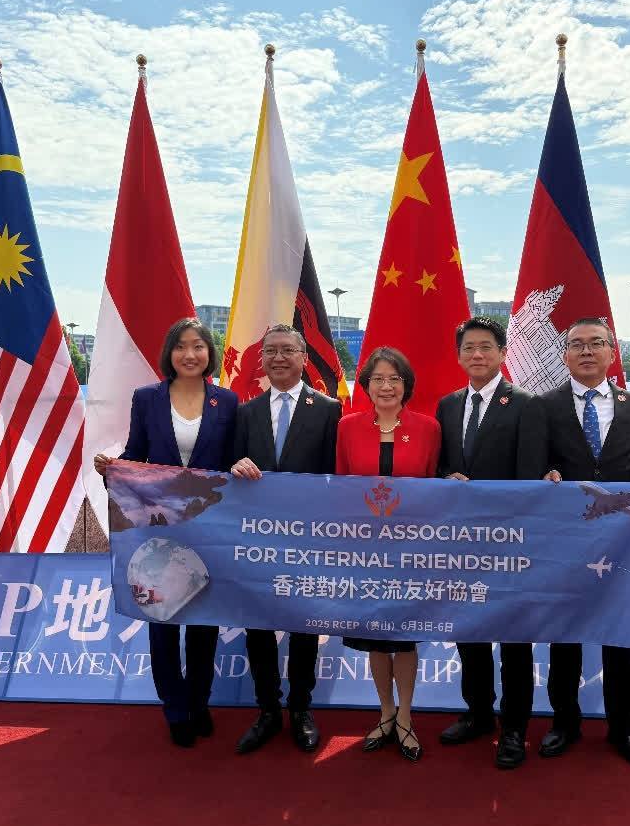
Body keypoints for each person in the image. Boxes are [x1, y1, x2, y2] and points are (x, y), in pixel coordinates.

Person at [93, 317, 238, 748]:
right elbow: (136, 453)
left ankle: (199, 701)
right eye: (181, 346)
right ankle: (174, 707)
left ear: (209, 353)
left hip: (209, 525)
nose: (189, 354)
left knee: (204, 620)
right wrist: (112, 467)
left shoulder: (228, 401)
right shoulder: (147, 399)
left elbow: (233, 459)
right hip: (157, 528)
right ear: (169, 353)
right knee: (162, 618)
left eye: (198, 346)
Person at [538, 317, 630, 767]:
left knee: (620, 636)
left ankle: (624, 729)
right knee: (565, 636)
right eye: (576, 345)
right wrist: (543, 474)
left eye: (596, 343)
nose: (586, 351)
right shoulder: (545, 406)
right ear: (565, 356)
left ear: (611, 353)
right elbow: (535, 461)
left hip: (621, 540)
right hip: (566, 537)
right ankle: (564, 723)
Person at [434, 317, 546, 769]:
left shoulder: (525, 404)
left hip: (510, 542)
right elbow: (439, 465)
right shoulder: (447, 405)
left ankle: (514, 728)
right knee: (470, 633)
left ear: (502, 353)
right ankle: (478, 713)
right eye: (469, 348)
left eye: (486, 347)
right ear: (459, 355)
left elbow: (530, 476)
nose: (477, 355)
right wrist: (446, 477)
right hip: (460, 542)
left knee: (514, 640)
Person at [229, 324, 342, 755]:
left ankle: (301, 708)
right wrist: (235, 465)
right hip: (257, 539)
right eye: (271, 351)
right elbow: (227, 468)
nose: (278, 358)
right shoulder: (245, 412)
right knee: (258, 625)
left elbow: (336, 476)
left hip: (308, 539)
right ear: (261, 360)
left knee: (303, 626)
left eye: (287, 351)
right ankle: (267, 709)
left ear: (303, 358)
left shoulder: (328, 410)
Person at [337, 347, 441, 763]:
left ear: (406, 385)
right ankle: (385, 712)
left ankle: (406, 716)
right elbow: (340, 485)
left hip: (411, 551)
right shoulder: (347, 427)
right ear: (365, 385)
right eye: (377, 379)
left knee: (404, 636)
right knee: (375, 638)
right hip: (364, 552)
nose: (385, 386)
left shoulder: (429, 428)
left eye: (394, 379)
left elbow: (434, 486)